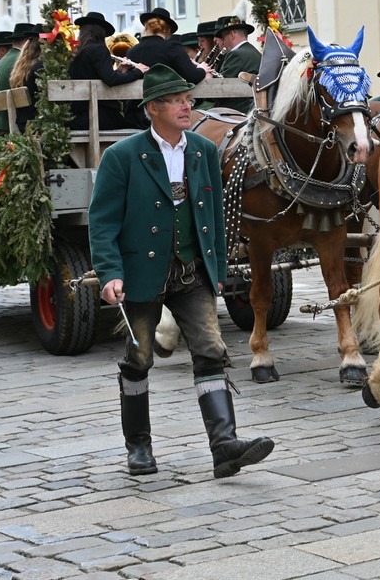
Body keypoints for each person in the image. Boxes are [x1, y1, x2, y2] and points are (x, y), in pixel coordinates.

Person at [88, 64, 275, 478]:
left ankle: (224, 447)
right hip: (140, 275)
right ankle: (139, 447)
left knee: (211, 351)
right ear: (153, 108)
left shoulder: (203, 151)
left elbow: (214, 215)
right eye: (176, 100)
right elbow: (102, 223)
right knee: (138, 358)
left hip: (192, 272)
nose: (186, 106)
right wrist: (109, 273)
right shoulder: (121, 157)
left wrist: (218, 266)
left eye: (187, 99)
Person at [68, 12, 148, 130]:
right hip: (99, 115)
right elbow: (110, 80)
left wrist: (121, 70)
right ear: (101, 32)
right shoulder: (99, 49)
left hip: (80, 115)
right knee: (139, 126)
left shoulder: (79, 52)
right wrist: (137, 71)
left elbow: (98, 76)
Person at [126, 7, 211, 84]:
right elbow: (193, 77)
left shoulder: (131, 51)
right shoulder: (172, 47)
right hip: (164, 99)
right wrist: (202, 69)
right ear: (168, 30)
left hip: (137, 100)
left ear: (146, 28)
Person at [0, 24, 40, 133]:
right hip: (13, 123)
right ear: (27, 42)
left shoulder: (6, 58)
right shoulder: (22, 60)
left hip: (2, 121)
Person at [213, 15, 259, 113]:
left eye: (223, 37)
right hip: (251, 108)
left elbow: (221, 87)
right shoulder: (255, 52)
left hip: (236, 111)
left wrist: (207, 74)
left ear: (233, 34)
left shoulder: (236, 54)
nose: (223, 41)